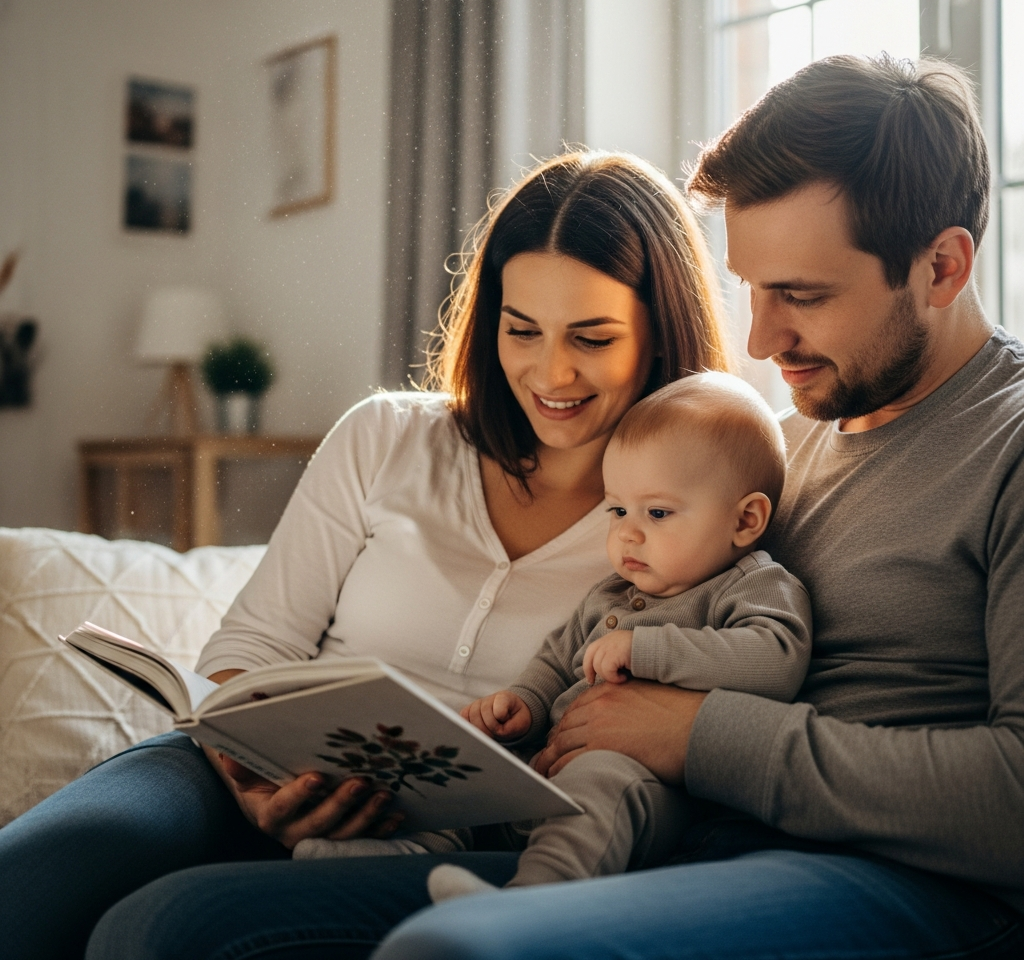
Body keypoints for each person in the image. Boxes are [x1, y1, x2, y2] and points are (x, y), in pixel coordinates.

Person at [368, 54, 1024, 960]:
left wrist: (699, 735)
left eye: (801, 295)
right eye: (752, 289)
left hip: (896, 880)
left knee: (461, 950)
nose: (761, 338)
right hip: (676, 840)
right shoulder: (773, 451)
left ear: (943, 266)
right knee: (174, 922)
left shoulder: (1011, 445)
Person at [0, 149, 731, 960]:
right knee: (31, 880)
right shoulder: (385, 436)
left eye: (591, 339)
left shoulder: (698, 508)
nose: (549, 372)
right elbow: (253, 644)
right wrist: (254, 782)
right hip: (251, 769)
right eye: (521, 330)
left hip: (471, 837)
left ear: (661, 334)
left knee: (150, 932)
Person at [423, 372, 810, 900]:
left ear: (745, 520)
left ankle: (529, 902)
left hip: (649, 790)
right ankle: (402, 852)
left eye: (657, 512)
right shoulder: (611, 592)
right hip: (546, 766)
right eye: (617, 510)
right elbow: (558, 657)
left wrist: (647, 650)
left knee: (602, 781)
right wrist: (525, 702)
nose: (628, 531)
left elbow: (776, 659)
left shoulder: (753, 585)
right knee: (467, 767)